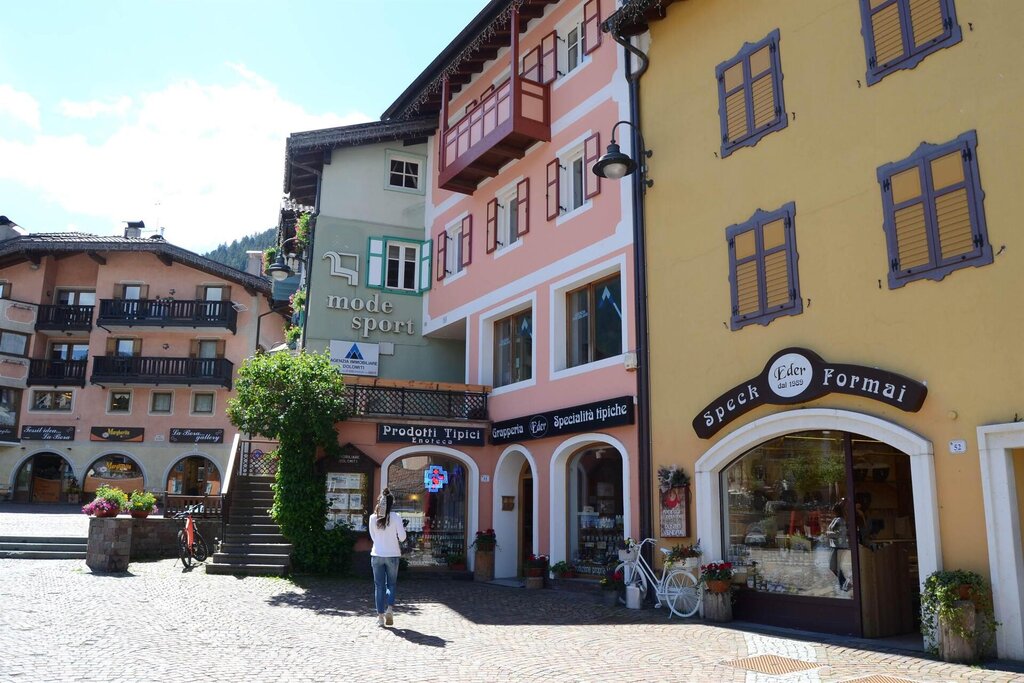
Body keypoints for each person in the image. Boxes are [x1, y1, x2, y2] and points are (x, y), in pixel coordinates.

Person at [368, 487, 407, 627]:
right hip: (393, 555)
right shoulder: (396, 517)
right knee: (391, 584)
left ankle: (380, 617)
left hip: (377, 554)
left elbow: (373, 537)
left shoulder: (373, 518)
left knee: (379, 586)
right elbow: (402, 538)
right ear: (392, 503)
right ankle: (389, 609)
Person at [826, 499, 853, 592]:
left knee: (834, 566)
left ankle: (845, 584)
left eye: (833, 510)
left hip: (839, 546)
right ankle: (845, 584)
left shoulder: (840, 520)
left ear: (836, 511)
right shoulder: (836, 519)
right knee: (835, 567)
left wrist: (828, 534)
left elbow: (840, 534)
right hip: (836, 546)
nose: (831, 512)